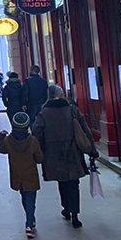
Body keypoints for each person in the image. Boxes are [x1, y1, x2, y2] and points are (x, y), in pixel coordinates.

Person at [32, 84, 97, 228]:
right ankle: (75, 215)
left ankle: (66, 208)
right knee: (74, 183)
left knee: (62, 181)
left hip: (53, 152)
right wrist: (91, 149)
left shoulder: (44, 113)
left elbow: (37, 132)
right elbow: (84, 129)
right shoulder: (72, 110)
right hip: (72, 150)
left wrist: (39, 151)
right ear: (61, 94)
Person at [0, 112, 44, 238]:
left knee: (24, 197)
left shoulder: (8, 140)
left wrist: (1, 137)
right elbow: (39, 158)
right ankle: (29, 224)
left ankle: (30, 220)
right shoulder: (32, 141)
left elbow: (2, 149)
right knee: (31, 199)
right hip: (30, 175)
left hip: (17, 175)